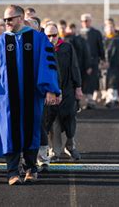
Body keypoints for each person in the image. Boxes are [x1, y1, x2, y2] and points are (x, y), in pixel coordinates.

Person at [0, 5, 60, 185]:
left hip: (32, 96)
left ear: (21, 18)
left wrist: (50, 89)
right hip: (7, 97)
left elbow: (48, 66)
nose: (6, 23)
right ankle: (12, 172)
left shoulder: (38, 39)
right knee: (10, 133)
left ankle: (31, 168)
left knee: (31, 132)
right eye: (5, 20)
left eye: (10, 19)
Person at [44, 22, 83, 161]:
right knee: (54, 121)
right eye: (48, 35)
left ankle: (70, 145)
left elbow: (74, 67)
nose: (51, 39)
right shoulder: (43, 49)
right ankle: (55, 151)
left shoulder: (66, 47)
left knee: (70, 119)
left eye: (54, 35)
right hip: (51, 91)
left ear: (58, 35)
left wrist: (78, 87)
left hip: (67, 90)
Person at [79, 13, 105, 109]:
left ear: (90, 21)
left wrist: (102, 59)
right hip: (81, 63)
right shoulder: (79, 34)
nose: (85, 22)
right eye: (83, 21)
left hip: (93, 61)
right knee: (82, 82)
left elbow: (100, 48)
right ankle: (82, 101)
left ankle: (90, 101)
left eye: (87, 20)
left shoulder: (96, 33)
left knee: (91, 81)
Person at [64, 23, 92, 109]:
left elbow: (86, 53)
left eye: (73, 28)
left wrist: (88, 66)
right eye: (69, 28)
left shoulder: (80, 39)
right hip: (68, 67)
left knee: (79, 85)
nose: (71, 30)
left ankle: (77, 103)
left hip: (79, 66)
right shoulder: (65, 39)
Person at [103, 23, 119, 107]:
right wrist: (102, 61)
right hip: (104, 64)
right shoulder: (103, 39)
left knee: (113, 81)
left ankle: (111, 98)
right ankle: (112, 97)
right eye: (108, 28)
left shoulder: (118, 39)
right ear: (105, 29)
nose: (110, 30)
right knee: (105, 81)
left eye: (111, 28)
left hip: (115, 63)